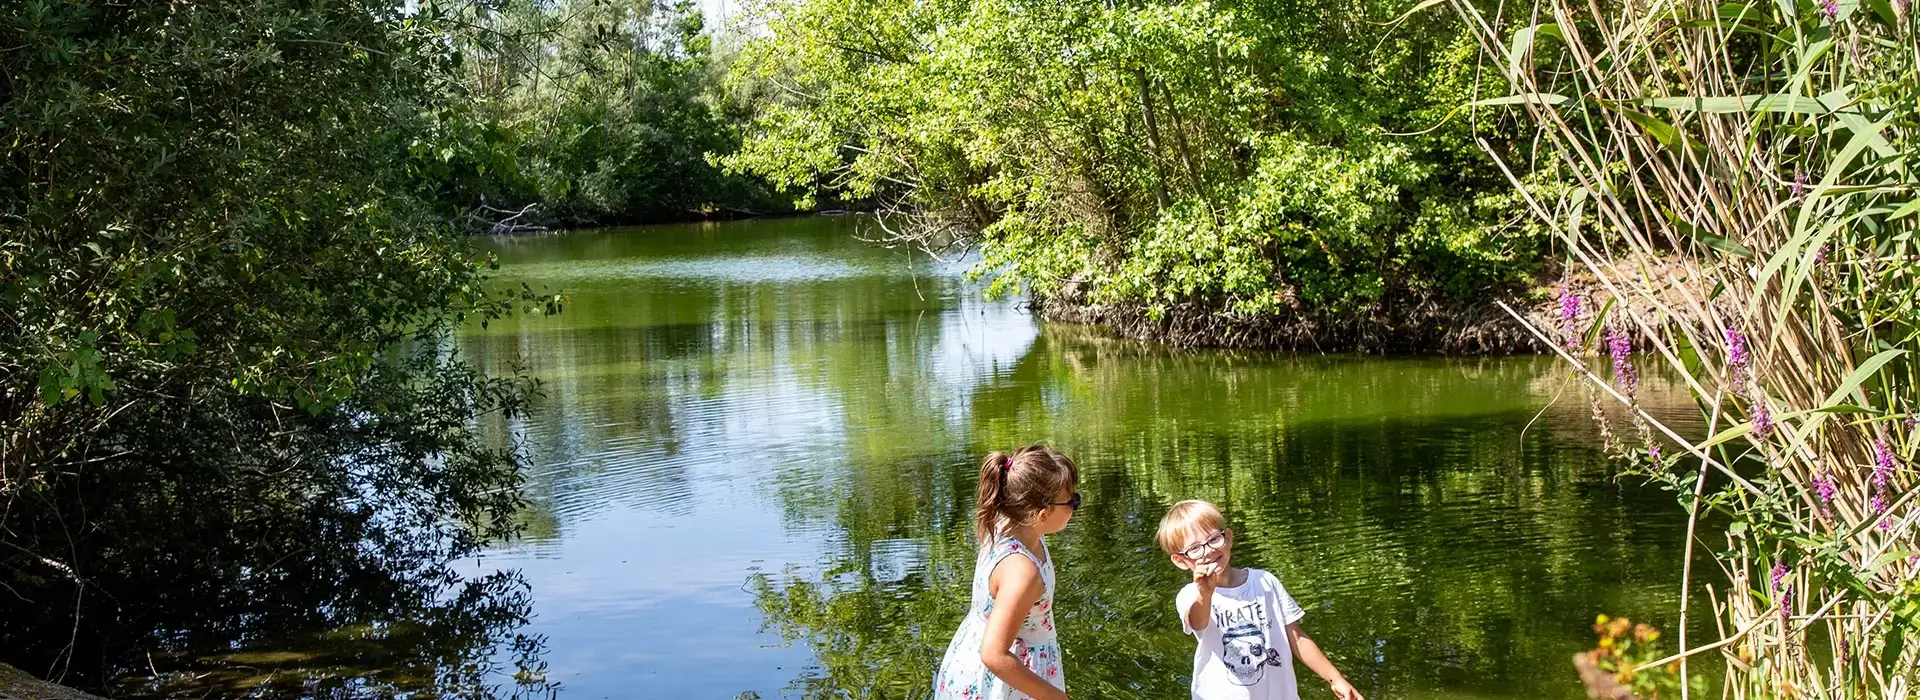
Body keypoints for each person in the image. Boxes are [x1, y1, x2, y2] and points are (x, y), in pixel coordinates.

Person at [1157, 500, 1363, 700]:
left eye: (1213, 539)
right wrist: (1205, 593)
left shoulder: (1265, 581)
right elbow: (1197, 622)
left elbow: (1296, 637)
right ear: (1181, 561)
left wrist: (1335, 678)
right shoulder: (1190, 594)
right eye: (1194, 549)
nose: (1208, 550)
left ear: (1228, 538)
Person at [933, 445, 1082, 700]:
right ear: (1042, 514)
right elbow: (993, 654)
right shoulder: (1022, 573)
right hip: (1007, 680)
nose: (1075, 506)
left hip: (973, 658)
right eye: (1072, 502)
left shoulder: (1008, 523)